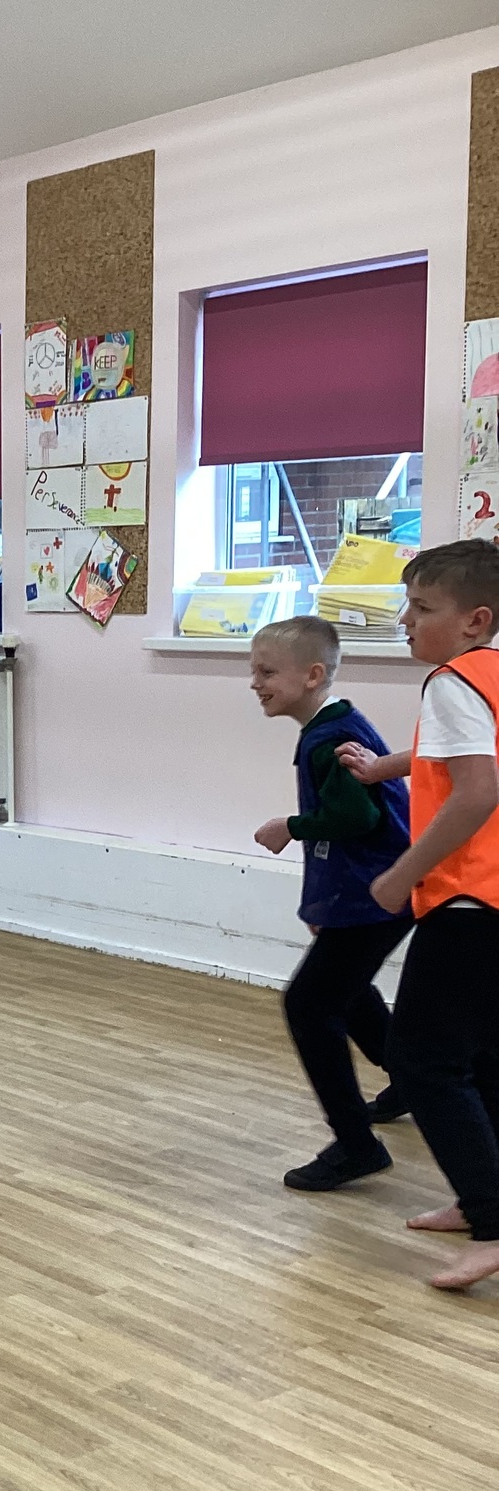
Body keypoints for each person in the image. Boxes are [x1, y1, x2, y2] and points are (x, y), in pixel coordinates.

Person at [338, 538, 499, 1289]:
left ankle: (493, 1222)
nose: (405, 620)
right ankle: (481, 1199)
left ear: (475, 620)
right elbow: (455, 755)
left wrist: (404, 873)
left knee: (422, 1060)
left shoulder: (451, 681)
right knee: (484, 1057)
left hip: (468, 900)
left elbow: (476, 789)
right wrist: (383, 767)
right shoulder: (490, 676)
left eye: (421, 607)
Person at [250, 615, 411, 1189]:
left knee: (309, 1005)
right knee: (346, 990)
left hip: (378, 891)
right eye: (254, 671)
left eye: (267, 672)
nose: (255, 683)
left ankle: (356, 1145)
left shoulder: (327, 738)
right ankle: (409, 1081)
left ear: (313, 675)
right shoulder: (336, 724)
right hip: (372, 889)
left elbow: (356, 818)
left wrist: (289, 826)